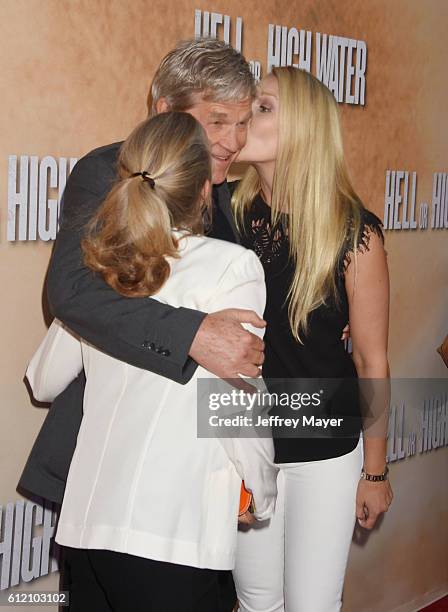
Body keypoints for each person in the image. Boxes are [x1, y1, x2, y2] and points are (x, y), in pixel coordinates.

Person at [18, 38, 261, 612]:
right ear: (162, 109)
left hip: (194, 479)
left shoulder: (231, 195)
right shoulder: (106, 172)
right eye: (217, 119)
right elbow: (71, 293)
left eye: (244, 121)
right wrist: (194, 334)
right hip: (108, 466)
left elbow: (242, 359)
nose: (232, 140)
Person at [229, 67, 393, 611]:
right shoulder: (221, 214)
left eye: (265, 107)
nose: (247, 115)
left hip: (324, 451)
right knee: (256, 603)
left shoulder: (354, 233)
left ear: (303, 128)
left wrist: (374, 471)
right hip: (244, 443)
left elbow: (371, 358)